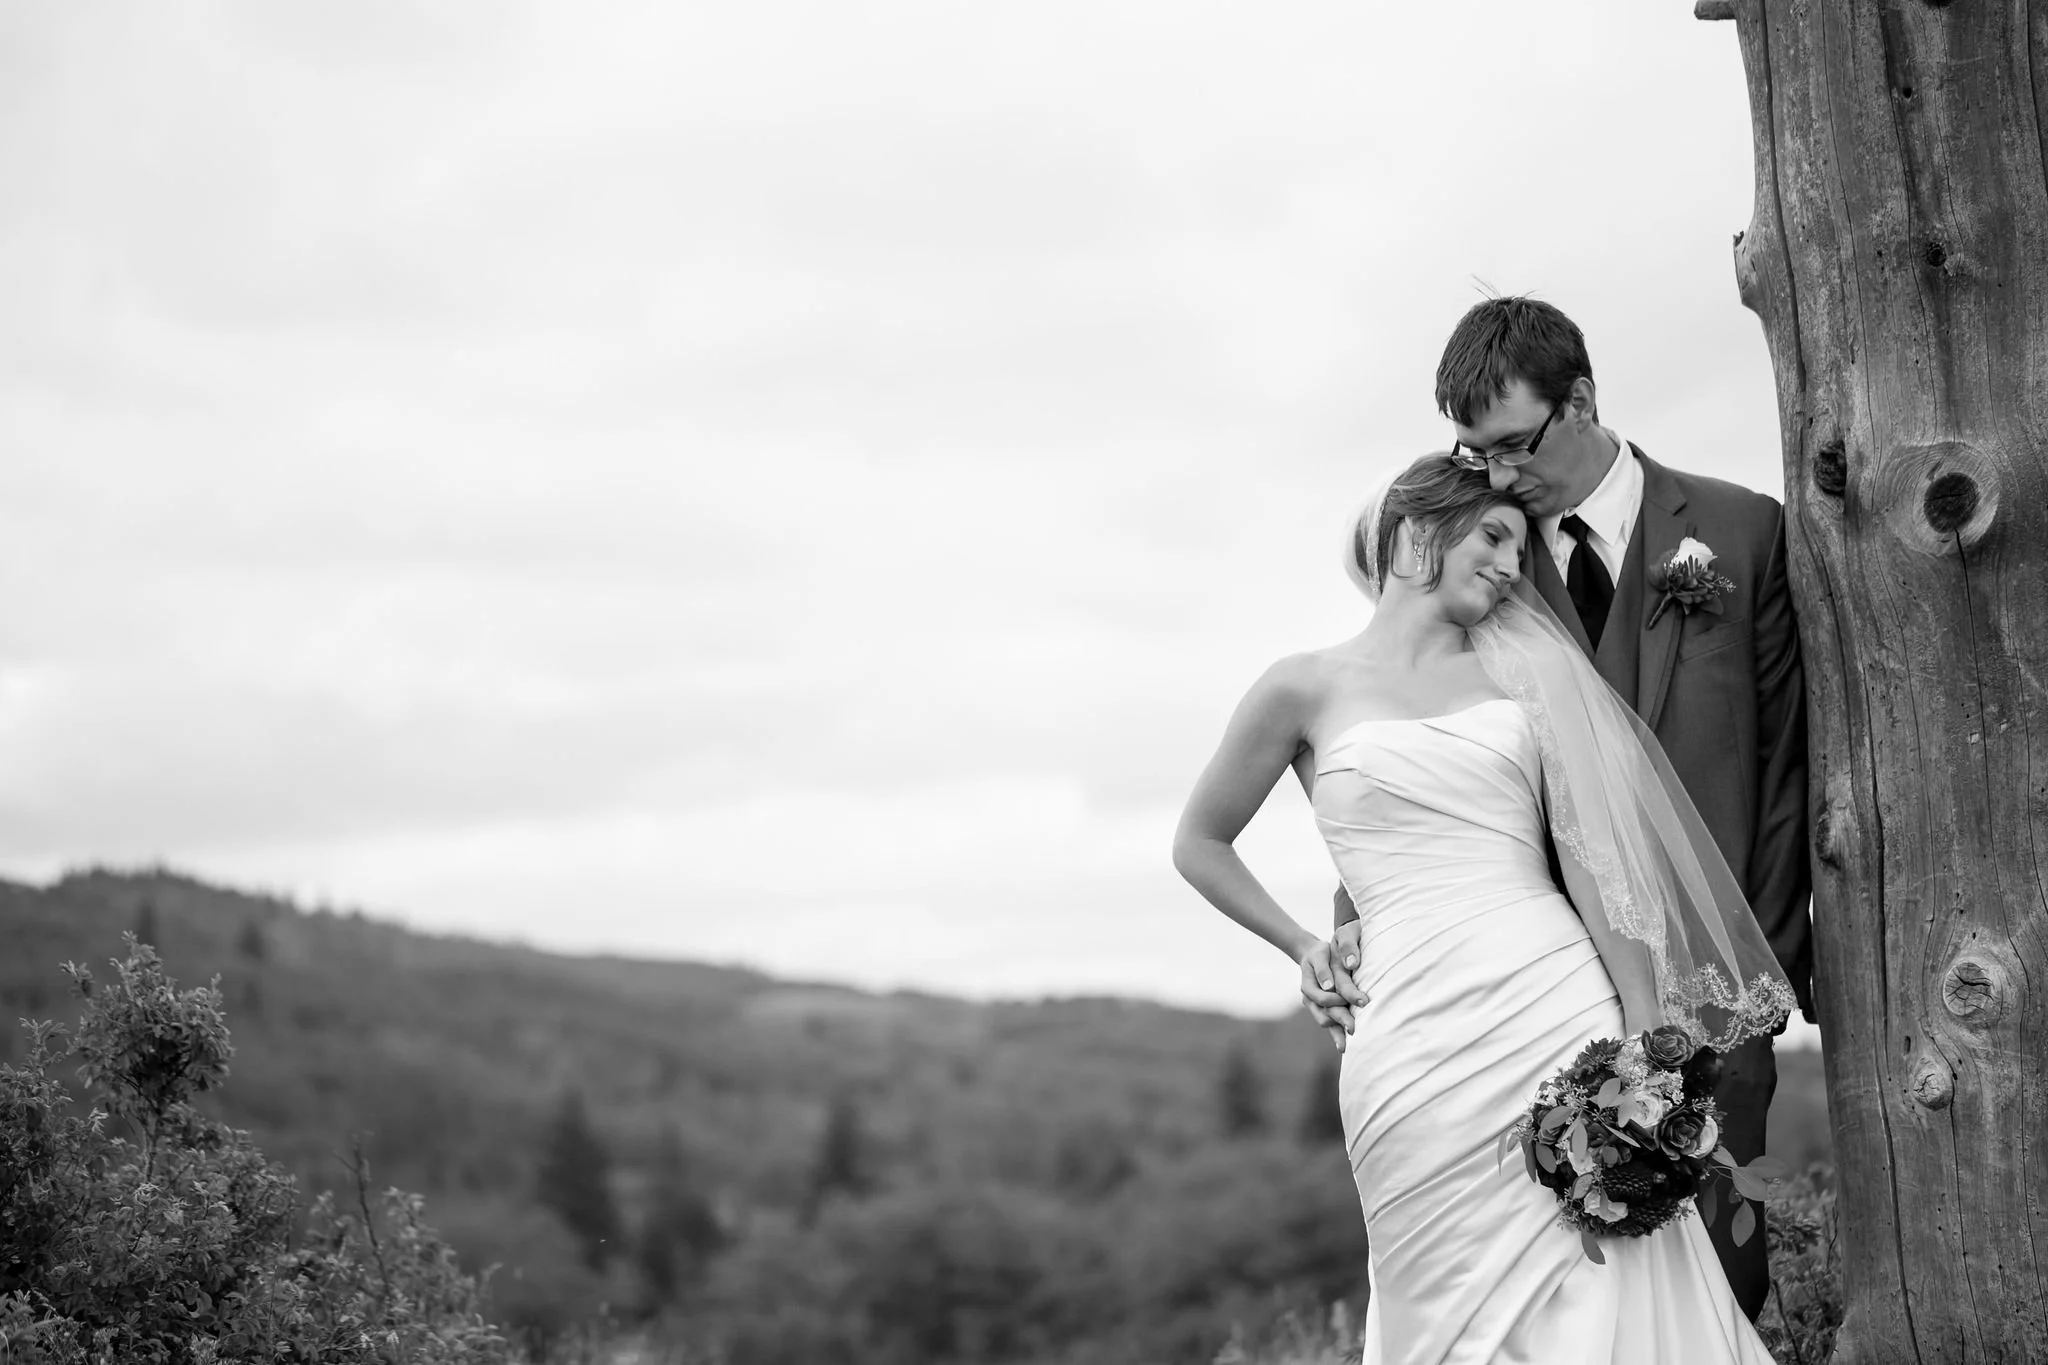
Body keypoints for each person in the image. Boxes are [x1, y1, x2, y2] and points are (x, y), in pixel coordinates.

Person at [1173, 453, 1792, 1361]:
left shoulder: (1523, 679)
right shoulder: (1301, 687)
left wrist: (1644, 1032)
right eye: (1494, 537)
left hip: (1553, 1006)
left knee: (1607, 1283)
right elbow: (1199, 841)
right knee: (1438, 1285)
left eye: (1517, 543)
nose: (1512, 564)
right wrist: (1302, 943)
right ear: (1417, 531)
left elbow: (1594, 867)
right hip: (1406, 1033)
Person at [1305, 297, 1812, 1321]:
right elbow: (1402, 746)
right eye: (1470, 451)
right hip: (1533, 1003)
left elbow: (1784, 769)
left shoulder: (1739, 531)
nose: (1493, 476)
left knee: (1714, 1279)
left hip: (1716, 975)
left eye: (1510, 445)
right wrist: (1355, 938)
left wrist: (1748, 985)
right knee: (1546, 1292)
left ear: (1579, 400)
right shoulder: (1479, 561)